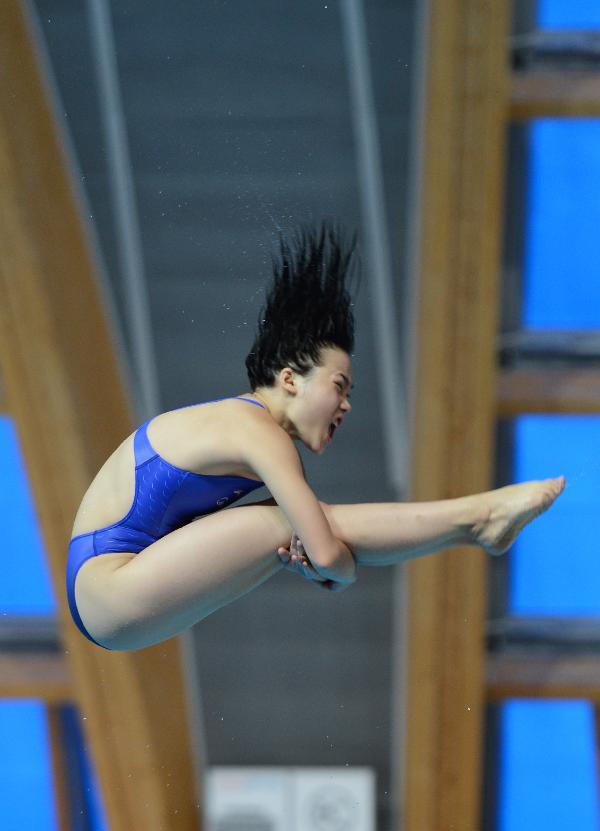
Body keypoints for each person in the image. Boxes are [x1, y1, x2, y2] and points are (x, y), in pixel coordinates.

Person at [65, 221, 565, 651]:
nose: (346, 405)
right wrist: (336, 567)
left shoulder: (249, 430)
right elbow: (327, 557)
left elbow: (323, 554)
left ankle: (476, 520)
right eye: (339, 386)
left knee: (287, 523)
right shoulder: (256, 432)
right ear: (289, 379)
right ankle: (476, 518)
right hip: (110, 590)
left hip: (111, 593)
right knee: (284, 523)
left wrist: (328, 562)